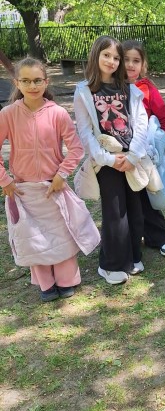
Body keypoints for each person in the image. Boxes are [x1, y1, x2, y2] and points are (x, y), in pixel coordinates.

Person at [0, 58, 99, 302]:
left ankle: (67, 281)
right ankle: (46, 284)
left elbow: (76, 149)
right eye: (25, 81)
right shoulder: (8, 114)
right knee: (34, 238)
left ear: (46, 81)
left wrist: (61, 175)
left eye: (37, 80)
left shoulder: (57, 113)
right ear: (16, 83)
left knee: (62, 236)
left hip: (53, 187)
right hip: (24, 191)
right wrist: (5, 181)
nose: (32, 86)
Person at [74, 35, 148, 285]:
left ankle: (133, 256)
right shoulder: (84, 91)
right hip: (107, 161)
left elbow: (141, 124)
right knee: (115, 211)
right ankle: (111, 264)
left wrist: (134, 156)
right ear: (96, 55)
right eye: (106, 55)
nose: (112, 61)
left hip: (130, 158)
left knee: (135, 209)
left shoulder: (130, 89)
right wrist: (106, 159)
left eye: (116, 57)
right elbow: (85, 131)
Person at [122, 40, 165, 257]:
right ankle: (128, 241)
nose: (130, 65)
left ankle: (158, 237)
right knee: (127, 198)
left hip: (144, 154)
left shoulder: (147, 88)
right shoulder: (110, 88)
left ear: (143, 64)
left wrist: (155, 146)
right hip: (120, 154)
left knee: (148, 193)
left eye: (136, 60)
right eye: (126, 59)